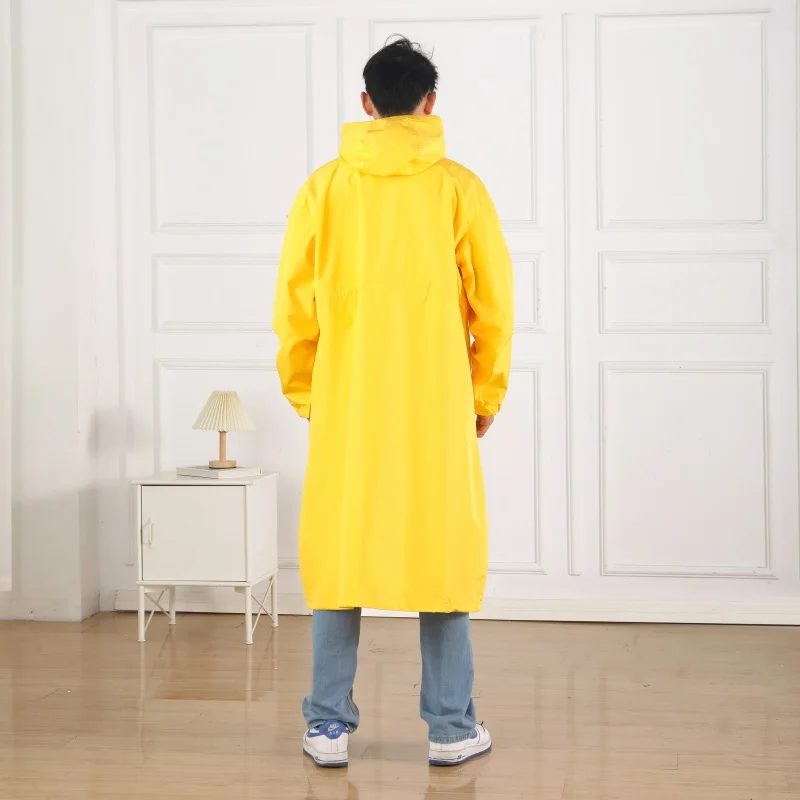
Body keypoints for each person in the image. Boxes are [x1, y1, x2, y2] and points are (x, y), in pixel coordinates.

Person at [273, 37, 514, 768]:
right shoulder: (459, 189)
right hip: (436, 402)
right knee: (441, 548)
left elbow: (294, 307)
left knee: (340, 548)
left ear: (366, 103)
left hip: (347, 400)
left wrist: (307, 391)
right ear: (429, 102)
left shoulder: (324, 189)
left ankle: (327, 727)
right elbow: (494, 306)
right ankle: (450, 727)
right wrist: (484, 391)